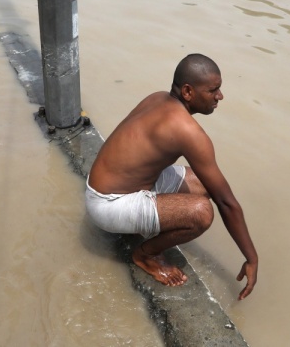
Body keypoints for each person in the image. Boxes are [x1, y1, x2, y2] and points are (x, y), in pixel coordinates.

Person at [86, 54, 258, 300]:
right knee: (201, 212)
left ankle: (139, 225)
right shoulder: (188, 132)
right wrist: (251, 258)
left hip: (112, 183)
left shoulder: (158, 98)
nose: (220, 96)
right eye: (213, 90)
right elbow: (227, 203)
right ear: (188, 91)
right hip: (108, 203)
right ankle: (145, 255)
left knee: (201, 184)